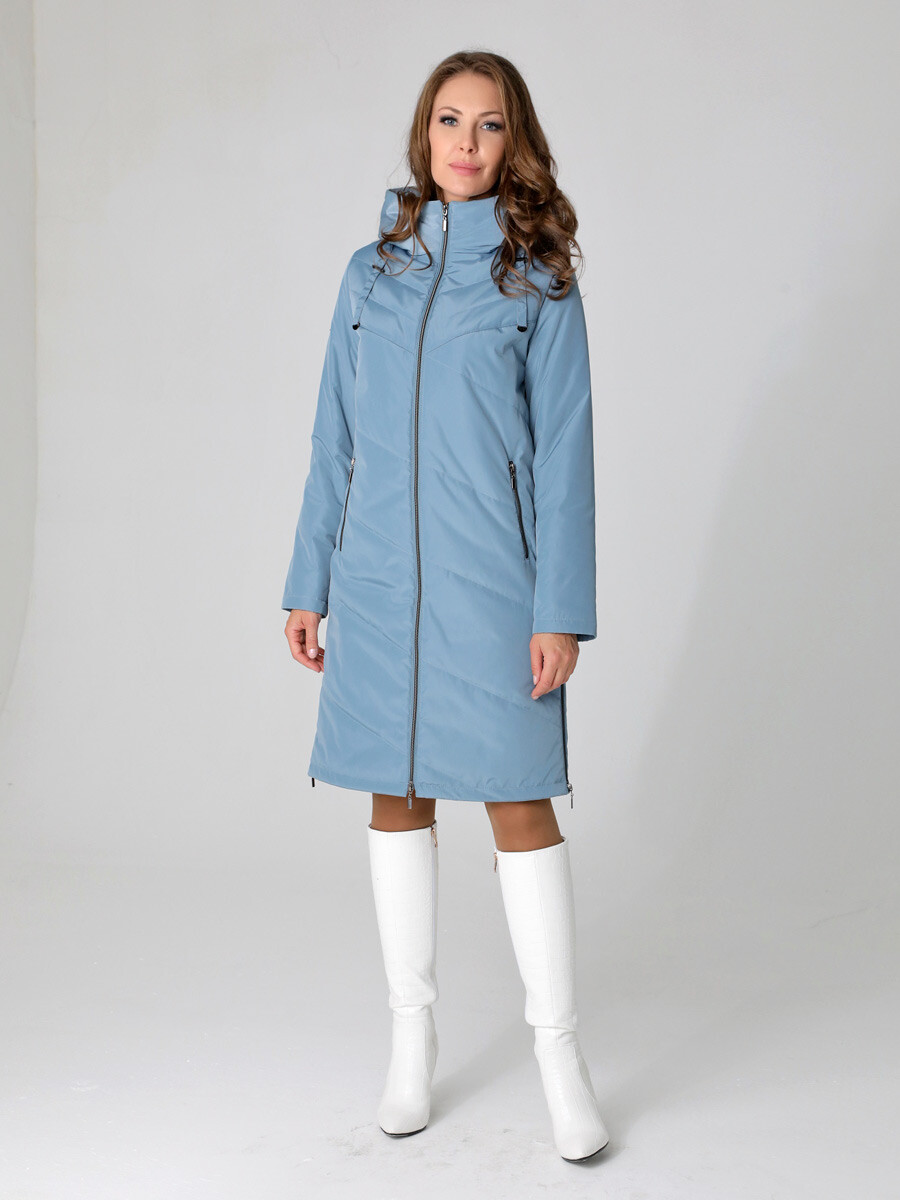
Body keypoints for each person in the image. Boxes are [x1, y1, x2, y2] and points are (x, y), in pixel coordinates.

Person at [281, 50, 609, 1163]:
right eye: (449, 121)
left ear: (516, 144)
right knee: (398, 793)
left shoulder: (539, 282)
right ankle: (411, 1043)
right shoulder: (368, 275)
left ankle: (560, 1058)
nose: (467, 143)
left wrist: (559, 609)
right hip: (377, 583)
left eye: (490, 124)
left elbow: (564, 456)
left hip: (493, 585)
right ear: (424, 135)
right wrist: (308, 582)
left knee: (520, 803)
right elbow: (333, 436)